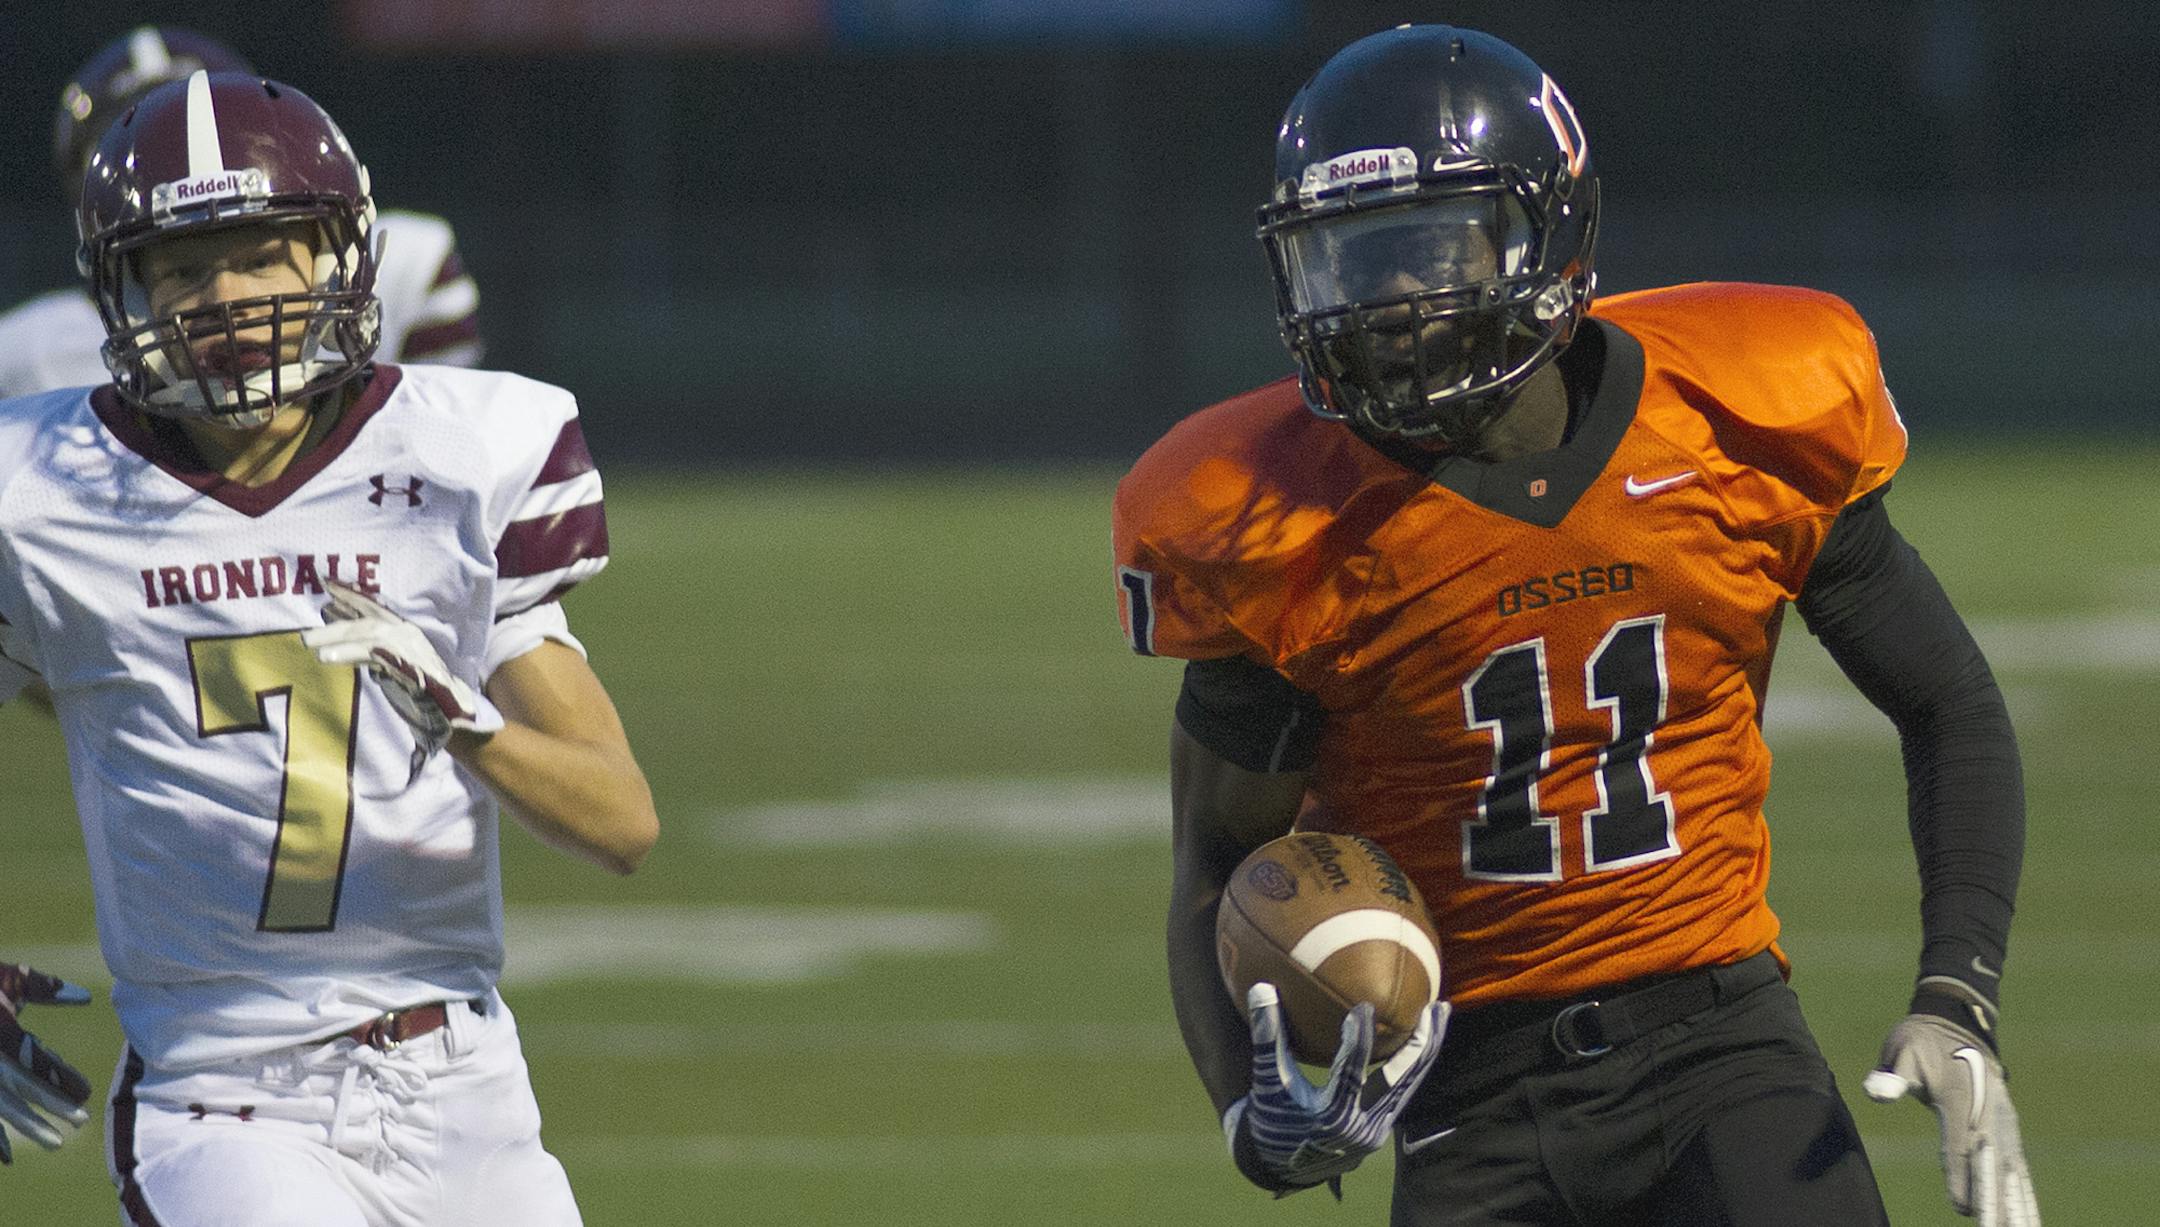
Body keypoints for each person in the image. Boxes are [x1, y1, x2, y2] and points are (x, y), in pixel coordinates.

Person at [1113, 24, 2038, 1227]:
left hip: (1723, 1048)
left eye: (1423, 251)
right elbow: (1215, 861)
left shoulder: (1733, 418)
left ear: (1547, 236)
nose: (1384, 303)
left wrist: (1957, 996)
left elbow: (1948, 701)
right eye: (1345, 261)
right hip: (1467, 1094)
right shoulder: (1283, 519)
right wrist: (1252, 1108)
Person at [0, 70, 655, 1226]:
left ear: (337, 256)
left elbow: (621, 822)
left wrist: (461, 716)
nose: (228, 297)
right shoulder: (39, 489)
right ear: (123, 290)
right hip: (221, 1093)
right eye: (184, 266)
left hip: (465, 1082)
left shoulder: (464, 457)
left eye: (262, 253)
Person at [0, 25, 483, 402]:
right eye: (145, 146)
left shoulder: (404, 264)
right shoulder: (28, 356)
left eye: (262, 261)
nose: (188, 167)